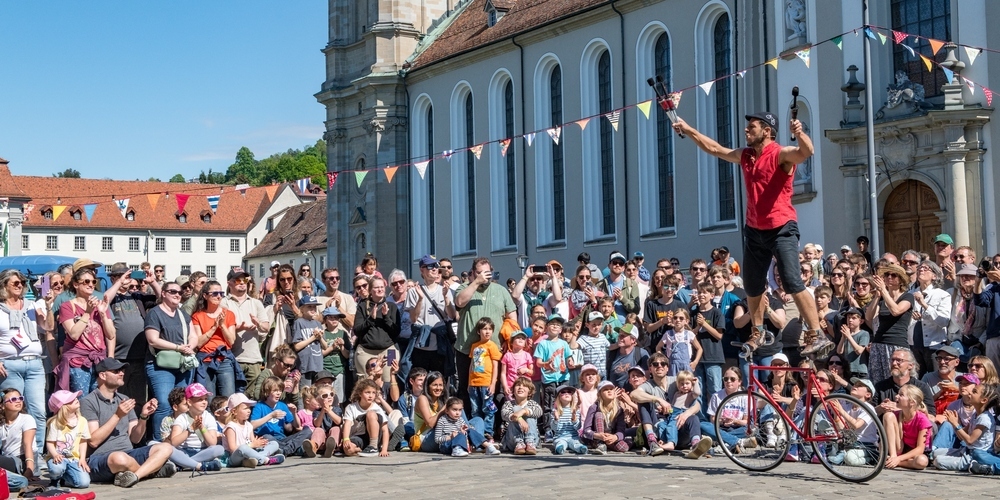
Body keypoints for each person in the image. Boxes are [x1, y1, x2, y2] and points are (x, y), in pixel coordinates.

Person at [672, 112, 823, 354]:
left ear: (766, 131)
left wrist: (800, 133)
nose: (746, 130)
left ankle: (816, 333)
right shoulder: (746, 156)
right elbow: (715, 149)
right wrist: (689, 129)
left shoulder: (780, 154)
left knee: (793, 281)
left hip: (781, 227)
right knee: (752, 286)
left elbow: (806, 152)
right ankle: (759, 332)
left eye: (751, 127)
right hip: (754, 229)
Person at [81, 358, 174, 488]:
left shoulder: (124, 400)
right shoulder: (88, 402)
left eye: (122, 370)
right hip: (100, 459)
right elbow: (93, 441)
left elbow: (135, 439)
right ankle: (151, 471)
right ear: (103, 375)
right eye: (116, 371)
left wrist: (143, 416)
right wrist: (117, 416)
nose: (122, 373)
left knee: (166, 447)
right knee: (119, 458)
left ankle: (135, 475)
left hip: (128, 454)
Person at [454, 258, 517, 404]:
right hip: (467, 350)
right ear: (473, 273)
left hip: (494, 351)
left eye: (487, 272)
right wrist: (476, 282)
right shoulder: (464, 287)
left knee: (494, 389)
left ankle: (493, 425)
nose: (484, 276)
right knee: (466, 389)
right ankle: (467, 423)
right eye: (480, 272)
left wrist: (509, 340)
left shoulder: (501, 290)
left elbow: (512, 317)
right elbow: (459, 302)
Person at [0, 269, 48, 459]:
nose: (21, 286)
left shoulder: (32, 306)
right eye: (16, 283)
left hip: (35, 365)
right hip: (10, 365)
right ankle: (13, 456)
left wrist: (48, 309)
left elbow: (47, 327)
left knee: (39, 412)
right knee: (11, 412)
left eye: (22, 282)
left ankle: (35, 457)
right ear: (4, 286)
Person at [144, 281, 198, 440]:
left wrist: (190, 346)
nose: (177, 295)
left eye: (180, 292)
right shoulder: (154, 313)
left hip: (182, 365)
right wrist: (178, 347)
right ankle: (159, 442)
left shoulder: (183, 314)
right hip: (160, 366)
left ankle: (178, 441)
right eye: (173, 291)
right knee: (164, 404)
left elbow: (193, 335)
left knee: (182, 405)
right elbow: (152, 340)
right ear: (163, 294)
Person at [104, 263, 159, 409]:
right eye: (122, 276)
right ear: (113, 279)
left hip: (140, 357)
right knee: (118, 398)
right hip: (119, 357)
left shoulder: (137, 296)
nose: (126, 280)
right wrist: (119, 282)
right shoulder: (111, 296)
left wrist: (153, 282)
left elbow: (162, 299)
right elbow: (105, 301)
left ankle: (136, 429)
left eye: (128, 276)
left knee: (139, 399)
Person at [58, 267, 116, 394]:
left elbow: (111, 335)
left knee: (98, 399)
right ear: (75, 284)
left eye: (93, 282)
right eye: (86, 282)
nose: (91, 285)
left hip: (99, 361)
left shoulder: (100, 305)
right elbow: (74, 334)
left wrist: (103, 314)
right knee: (81, 399)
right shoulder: (67, 306)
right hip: (78, 361)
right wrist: (88, 312)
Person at [223, 267, 270, 403]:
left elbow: (265, 327)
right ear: (229, 283)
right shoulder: (224, 302)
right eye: (238, 280)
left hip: (253, 358)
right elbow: (222, 328)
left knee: (252, 398)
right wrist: (240, 327)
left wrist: (258, 324)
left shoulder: (256, 303)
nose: (242, 282)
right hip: (232, 358)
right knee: (232, 398)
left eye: (245, 279)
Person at [404, 256, 457, 378]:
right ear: (422, 270)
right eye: (430, 266)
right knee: (420, 381)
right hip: (420, 345)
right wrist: (420, 299)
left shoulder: (444, 290)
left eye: (436, 266)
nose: (434, 269)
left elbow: (452, 315)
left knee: (438, 380)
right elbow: (413, 318)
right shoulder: (414, 291)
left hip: (439, 345)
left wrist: (446, 298)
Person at [191, 280, 242, 398]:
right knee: (207, 398)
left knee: (228, 397)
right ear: (205, 296)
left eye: (221, 293)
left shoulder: (229, 314)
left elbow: (231, 341)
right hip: (205, 360)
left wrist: (222, 325)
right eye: (214, 293)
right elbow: (198, 343)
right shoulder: (197, 316)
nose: (219, 296)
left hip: (224, 359)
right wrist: (214, 327)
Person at [865, 264, 914, 384]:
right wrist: (877, 296)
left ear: (901, 280)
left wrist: (884, 292)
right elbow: (868, 317)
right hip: (878, 344)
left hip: (896, 343)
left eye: (893, 275)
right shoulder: (882, 298)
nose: (889, 277)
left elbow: (896, 311)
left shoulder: (907, 296)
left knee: (897, 379)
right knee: (877, 381)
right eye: (887, 275)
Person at [932, 382, 997, 471]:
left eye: (974, 392)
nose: (970, 393)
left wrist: (955, 424)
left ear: (984, 400)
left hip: (975, 455)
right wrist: (955, 423)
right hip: (966, 450)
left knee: (938, 461)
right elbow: (961, 436)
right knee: (935, 453)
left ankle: (974, 465)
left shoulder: (984, 418)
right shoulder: (975, 415)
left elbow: (970, 440)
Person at [353, 277, 401, 384]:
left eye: (381, 287)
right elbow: (357, 330)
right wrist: (370, 319)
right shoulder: (362, 306)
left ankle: (387, 401)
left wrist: (386, 317)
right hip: (366, 351)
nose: (380, 289)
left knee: (389, 381)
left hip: (388, 350)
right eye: (376, 287)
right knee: (366, 384)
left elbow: (396, 331)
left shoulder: (392, 307)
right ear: (370, 290)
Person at [167, 383, 225, 472]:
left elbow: (212, 443)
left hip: (202, 452)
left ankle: (184, 464)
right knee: (169, 449)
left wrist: (202, 428)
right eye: (200, 399)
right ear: (189, 402)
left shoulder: (209, 417)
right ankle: (197, 464)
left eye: (205, 399)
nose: (204, 402)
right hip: (184, 452)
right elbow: (174, 442)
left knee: (219, 449)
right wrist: (191, 429)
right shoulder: (182, 418)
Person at [250, 376, 312, 457]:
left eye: (280, 390)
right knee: (267, 437)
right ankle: (293, 449)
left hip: (283, 439)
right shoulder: (259, 406)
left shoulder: (282, 405)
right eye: (275, 391)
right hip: (268, 439)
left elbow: (295, 426)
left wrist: (294, 413)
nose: (279, 393)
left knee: (308, 431)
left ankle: (285, 450)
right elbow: (252, 425)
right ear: (267, 392)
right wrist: (271, 416)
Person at [221, 392, 283, 468]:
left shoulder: (248, 425)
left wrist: (259, 443)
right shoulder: (231, 427)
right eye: (245, 408)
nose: (249, 411)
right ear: (234, 411)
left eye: (249, 408)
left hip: (249, 453)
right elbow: (232, 448)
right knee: (243, 448)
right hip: (234, 457)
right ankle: (266, 460)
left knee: (274, 443)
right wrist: (252, 445)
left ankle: (251, 460)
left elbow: (253, 441)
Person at [534, 315, 573, 432]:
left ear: (561, 329)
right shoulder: (542, 344)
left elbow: (568, 357)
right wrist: (546, 363)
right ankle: (548, 429)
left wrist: (570, 361)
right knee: (549, 405)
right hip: (549, 378)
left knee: (565, 403)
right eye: (552, 324)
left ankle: (564, 427)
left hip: (563, 377)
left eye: (558, 325)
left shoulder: (564, 343)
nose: (555, 326)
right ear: (546, 328)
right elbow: (538, 362)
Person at [45, 390, 91, 488]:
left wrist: (82, 458)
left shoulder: (82, 421)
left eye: (75, 397)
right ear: (63, 407)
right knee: (57, 469)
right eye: (71, 400)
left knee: (84, 483)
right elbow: (49, 443)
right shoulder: (55, 422)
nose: (76, 399)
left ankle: (64, 476)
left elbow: (83, 442)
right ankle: (55, 479)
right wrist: (55, 454)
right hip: (58, 458)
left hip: (74, 459)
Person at [882, 384, 932, 470]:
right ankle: (892, 457)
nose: (896, 396)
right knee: (888, 415)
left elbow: (920, 449)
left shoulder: (922, 419)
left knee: (922, 461)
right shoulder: (895, 415)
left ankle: (896, 462)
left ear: (912, 402)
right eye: (898, 394)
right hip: (899, 449)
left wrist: (899, 459)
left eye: (901, 395)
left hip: (914, 454)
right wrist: (895, 456)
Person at [468, 318, 501, 441]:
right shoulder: (474, 346)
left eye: (490, 329)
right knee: (475, 409)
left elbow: (495, 366)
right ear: (478, 331)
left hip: (486, 383)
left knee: (488, 409)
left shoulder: (492, 346)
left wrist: (493, 383)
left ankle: (488, 433)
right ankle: (477, 433)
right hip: (473, 383)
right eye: (484, 329)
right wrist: (469, 383)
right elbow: (472, 365)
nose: (487, 332)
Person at [690, 283, 724, 398]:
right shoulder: (693, 313)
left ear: (712, 295)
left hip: (713, 356)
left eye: (705, 292)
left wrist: (704, 324)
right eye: (699, 292)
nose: (701, 295)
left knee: (715, 390)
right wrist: (698, 327)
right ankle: (701, 416)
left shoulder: (717, 313)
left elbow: (719, 336)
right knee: (698, 392)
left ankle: (716, 415)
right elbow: (690, 335)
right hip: (697, 358)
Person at [582, 380, 636, 454]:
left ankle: (607, 445)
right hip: (596, 438)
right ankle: (600, 444)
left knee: (623, 447)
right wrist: (598, 435)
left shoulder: (619, 409)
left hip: (611, 436)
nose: (609, 391)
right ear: (599, 394)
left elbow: (621, 430)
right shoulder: (594, 407)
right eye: (605, 389)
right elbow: (586, 430)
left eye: (611, 389)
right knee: (599, 414)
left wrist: (615, 437)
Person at [341, 379, 390, 458]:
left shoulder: (377, 408)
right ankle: (361, 450)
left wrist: (384, 449)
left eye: (373, 393)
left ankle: (373, 447)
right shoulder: (351, 407)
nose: (371, 396)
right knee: (348, 450)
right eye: (367, 392)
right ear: (360, 393)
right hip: (359, 436)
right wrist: (346, 439)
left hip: (375, 437)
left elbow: (385, 430)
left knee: (370, 414)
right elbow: (347, 424)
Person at [500, 376, 542, 454]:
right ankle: (519, 443)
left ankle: (529, 443)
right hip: (512, 440)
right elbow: (504, 414)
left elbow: (539, 412)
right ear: (513, 390)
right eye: (518, 385)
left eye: (524, 386)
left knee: (530, 415)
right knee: (515, 409)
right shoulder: (508, 404)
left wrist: (524, 411)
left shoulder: (533, 403)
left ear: (529, 392)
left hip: (533, 439)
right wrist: (519, 419)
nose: (520, 387)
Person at [655, 310, 702, 377]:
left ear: (686, 321)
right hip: (672, 366)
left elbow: (699, 349)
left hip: (686, 366)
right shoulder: (668, 334)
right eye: (675, 318)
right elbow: (658, 347)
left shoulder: (689, 334)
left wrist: (695, 362)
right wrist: (664, 360)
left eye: (681, 318)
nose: (678, 320)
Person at [318, 307, 351, 402]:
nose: (334, 320)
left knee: (339, 398)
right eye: (331, 318)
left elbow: (347, 355)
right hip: (326, 369)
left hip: (340, 369)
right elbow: (320, 354)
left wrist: (342, 347)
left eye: (337, 317)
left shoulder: (343, 333)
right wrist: (332, 347)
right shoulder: (323, 333)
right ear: (325, 320)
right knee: (325, 396)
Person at [596, 252, 641, 319]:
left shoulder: (631, 284)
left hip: (626, 326)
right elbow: (596, 308)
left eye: (621, 263)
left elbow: (636, 310)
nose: (617, 265)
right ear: (609, 265)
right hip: (607, 326)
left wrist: (622, 298)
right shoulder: (600, 285)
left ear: (623, 268)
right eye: (614, 262)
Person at [550, 385, 588, 455]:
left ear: (572, 395)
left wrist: (574, 420)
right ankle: (560, 449)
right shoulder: (555, 411)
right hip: (559, 437)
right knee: (560, 443)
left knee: (575, 443)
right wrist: (556, 419)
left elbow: (578, 427)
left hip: (573, 437)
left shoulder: (576, 411)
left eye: (569, 392)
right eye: (563, 392)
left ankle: (581, 449)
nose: (566, 393)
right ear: (558, 397)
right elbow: (554, 429)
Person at [500, 331, 534, 401]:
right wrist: (505, 386)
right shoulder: (507, 355)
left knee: (523, 407)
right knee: (512, 407)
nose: (521, 339)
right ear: (512, 342)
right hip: (511, 388)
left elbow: (532, 372)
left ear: (525, 343)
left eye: (523, 338)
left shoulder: (527, 355)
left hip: (524, 387)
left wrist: (526, 370)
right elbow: (503, 373)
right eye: (518, 337)